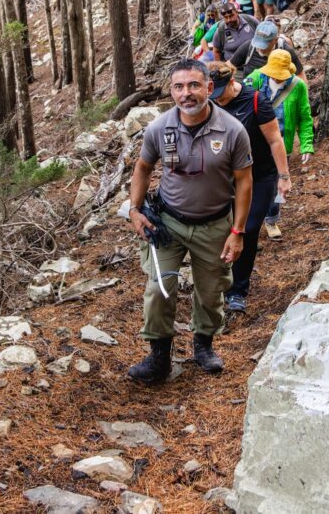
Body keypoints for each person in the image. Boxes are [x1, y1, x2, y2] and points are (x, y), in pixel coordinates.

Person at [126, 59, 253, 383]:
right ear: (171, 91)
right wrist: (135, 210)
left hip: (214, 225)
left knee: (211, 292)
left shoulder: (232, 131)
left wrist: (237, 231)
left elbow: (244, 182)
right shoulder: (159, 128)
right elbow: (142, 168)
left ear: (209, 88)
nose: (187, 94)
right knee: (159, 288)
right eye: (179, 87)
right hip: (168, 224)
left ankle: (203, 344)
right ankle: (159, 356)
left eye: (195, 85)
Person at [207, 61, 292, 313]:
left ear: (231, 82)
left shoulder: (255, 101)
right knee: (222, 228)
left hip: (259, 176)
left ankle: (238, 290)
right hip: (225, 178)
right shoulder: (210, 104)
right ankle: (219, 281)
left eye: (219, 93)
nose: (216, 99)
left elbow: (275, 140)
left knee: (248, 228)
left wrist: (284, 176)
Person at [244, 50, 315, 240]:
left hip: (281, 144)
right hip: (254, 143)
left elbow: (305, 117)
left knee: (278, 186)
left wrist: (307, 144)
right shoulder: (256, 78)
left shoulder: (297, 86)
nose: (276, 77)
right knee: (249, 182)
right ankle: (247, 220)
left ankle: (271, 219)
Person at [229, 19, 306, 82]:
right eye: (258, 42)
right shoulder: (248, 47)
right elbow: (229, 65)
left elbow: (301, 76)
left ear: (275, 40)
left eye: (264, 44)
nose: (260, 48)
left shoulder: (285, 50)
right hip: (251, 92)